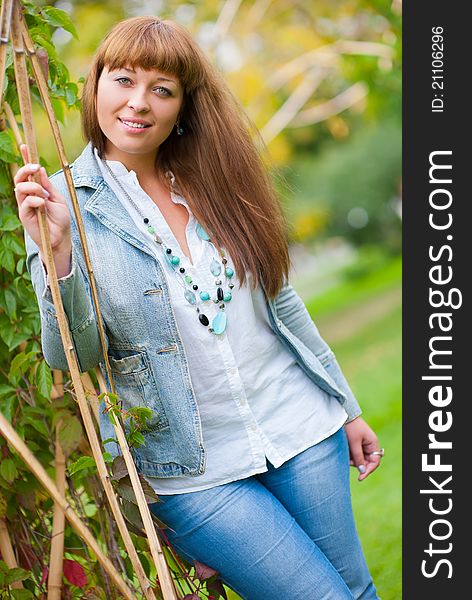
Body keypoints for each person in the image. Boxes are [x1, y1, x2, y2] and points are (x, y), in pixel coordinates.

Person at [14, 16, 383, 600]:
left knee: (355, 590)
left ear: (183, 106)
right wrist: (56, 252)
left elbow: (281, 302)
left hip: (302, 425)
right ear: (95, 86)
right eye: (124, 80)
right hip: (194, 472)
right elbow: (70, 355)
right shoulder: (61, 201)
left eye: (162, 89)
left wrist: (346, 404)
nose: (139, 103)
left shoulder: (216, 177)